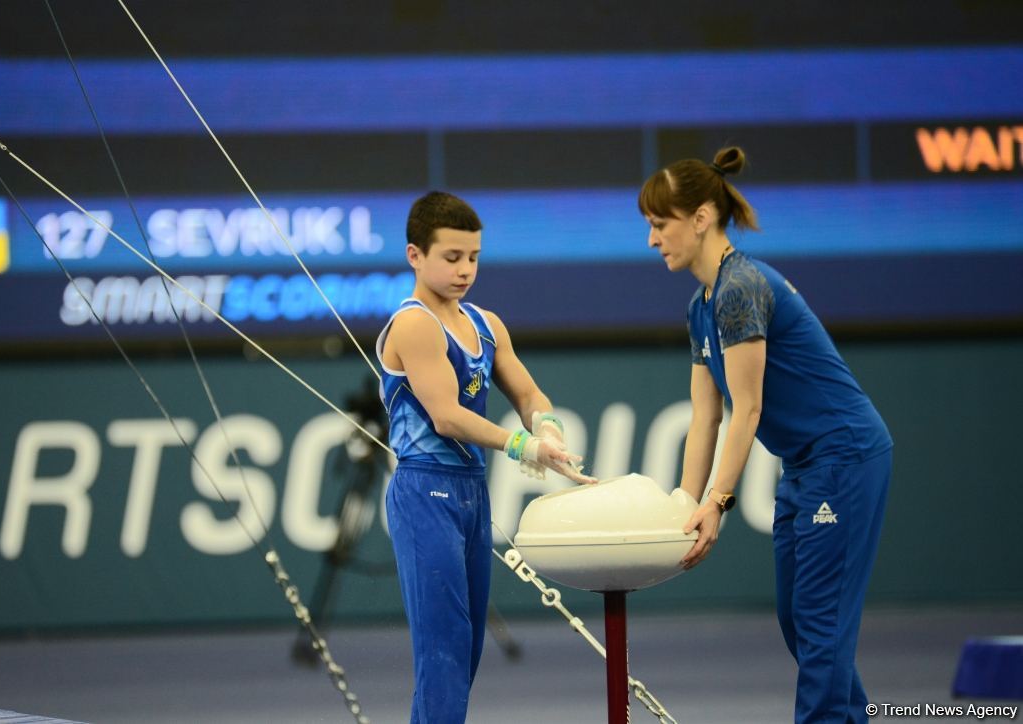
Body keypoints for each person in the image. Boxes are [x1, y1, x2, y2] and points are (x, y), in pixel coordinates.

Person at [638, 148, 893, 723]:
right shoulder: (700, 305)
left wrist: (718, 503)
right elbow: (704, 417)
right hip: (804, 466)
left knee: (821, 624)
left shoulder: (741, 288)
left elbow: (745, 411)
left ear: (700, 217)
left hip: (846, 456)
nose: (653, 240)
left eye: (660, 225)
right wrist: (685, 501)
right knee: (799, 622)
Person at [376, 190, 597, 723]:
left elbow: (527, 395)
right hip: (425, 490)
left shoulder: (486, 324)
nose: (465, 270)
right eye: (451, 258)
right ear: (415, 256)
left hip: (471, 492)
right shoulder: (413, 324)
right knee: (443, 648)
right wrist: (523, 445)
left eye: (473, 258)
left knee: (466, 648)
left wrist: (547, 428)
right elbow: (447, 416)